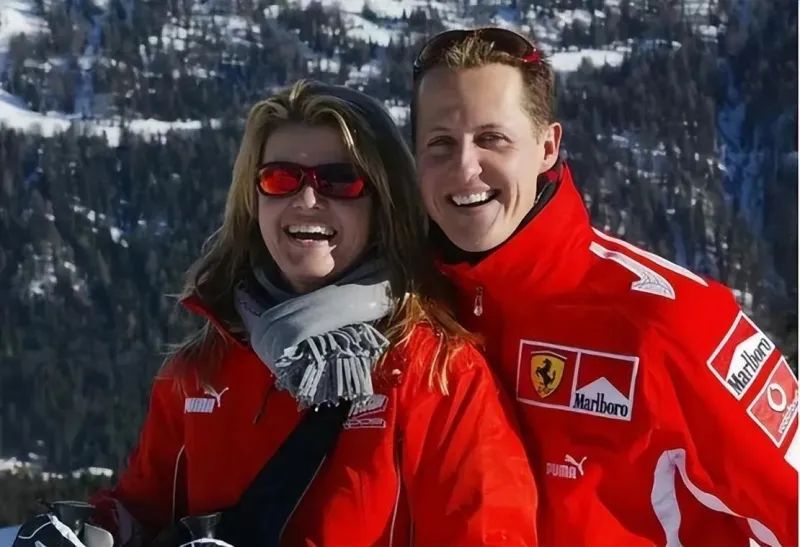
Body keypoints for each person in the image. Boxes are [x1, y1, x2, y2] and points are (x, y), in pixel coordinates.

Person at [15, 81, 538, 547]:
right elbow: (144, 509)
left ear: (384, 204)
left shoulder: (436, 373)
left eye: (340, 181)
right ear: (254, 199)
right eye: (281, 179)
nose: (307, 199)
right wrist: (93, 529)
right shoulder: (201, 370)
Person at [411, 27, 798, 546]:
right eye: (440, 143)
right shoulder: (411, 309)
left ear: (547, 146)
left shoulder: (671, 320)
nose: (464, 167)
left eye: (492, 138)